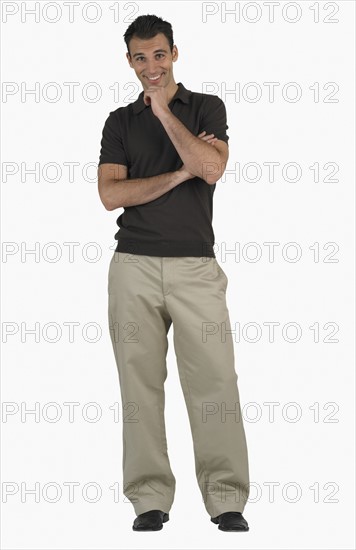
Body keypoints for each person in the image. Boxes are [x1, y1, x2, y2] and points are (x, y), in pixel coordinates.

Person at [97, 14, 250, 532]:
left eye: (158, 55)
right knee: (139, 387)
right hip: (132, 267)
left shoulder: (207, 107)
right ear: (129, 61)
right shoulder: (118, 122)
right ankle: (149, 500)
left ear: (174, 54)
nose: (150, 66)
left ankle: (226, 497)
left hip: (196, 267)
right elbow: (110, 195)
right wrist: (183, 168)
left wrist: (164, 114)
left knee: (215, 382)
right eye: (140, 58)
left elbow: (212, 168)